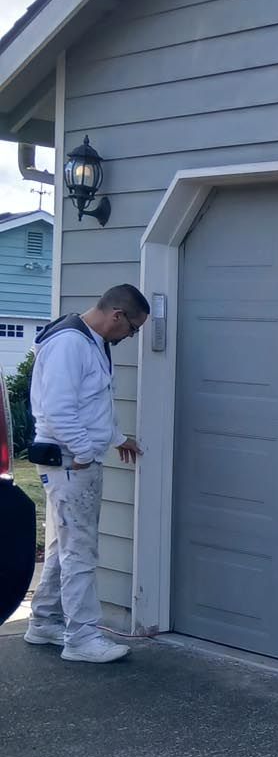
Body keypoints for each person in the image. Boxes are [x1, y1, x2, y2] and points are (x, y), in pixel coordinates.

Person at [24, 284, 148, 665]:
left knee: (65, 545)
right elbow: (58, 411)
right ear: (117, 315)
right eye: (134, 328)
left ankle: (44, 621)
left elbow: (92, 401)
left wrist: (116, 437)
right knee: (81, 551)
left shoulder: (91, 341)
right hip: (69, 462)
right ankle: (81, 638)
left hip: (73, 460)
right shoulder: (70, 345)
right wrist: (83, 452)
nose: (131, 336)